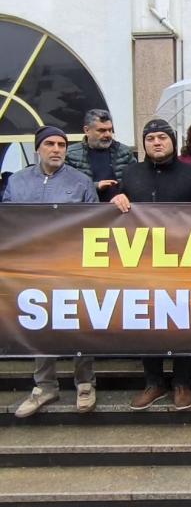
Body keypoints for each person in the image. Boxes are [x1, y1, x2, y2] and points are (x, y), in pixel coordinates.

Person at [110, 119, 191, 411]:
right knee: (147, 321)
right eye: (151, 138)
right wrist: (115, 198)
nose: (156, 142)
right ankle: (153, 382)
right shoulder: (130, 174)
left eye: (162, 137)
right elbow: (116, 211)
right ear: (144, 143)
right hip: (142, 263)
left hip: (185, 263)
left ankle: (182, 383)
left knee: (183, 322)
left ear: (173, 141)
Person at [5, 126, 98, 418]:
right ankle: (45, 386)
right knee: (39, 323)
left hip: (73, 266)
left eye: (61, 144)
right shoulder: (17, 182)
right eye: (50, 144)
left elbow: (97, 223)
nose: (56, 149)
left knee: (79, 322)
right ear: (38, 148)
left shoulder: (81, 181)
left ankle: (85, 383)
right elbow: (7, 220)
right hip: (33, 267)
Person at [65, 108, 136, 202]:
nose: (108, 134)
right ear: (87, 130)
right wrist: (96, 186)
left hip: (119, 208)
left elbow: (136, 183)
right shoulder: (71, 154)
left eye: (110, 130)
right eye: (102, 130)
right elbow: (65, 186)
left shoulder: (125, 152)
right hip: (86, 209)